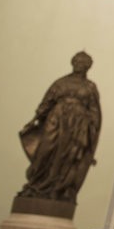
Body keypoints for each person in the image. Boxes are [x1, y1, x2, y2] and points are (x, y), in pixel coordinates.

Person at [18, 51, 102, 202]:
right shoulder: (60, 83)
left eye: (83, 63)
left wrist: (91, 136)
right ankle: (36, 185)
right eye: (77, 61)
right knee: (45, 151)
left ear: (88, 66)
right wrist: (34, 120)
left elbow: (94, 111)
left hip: (77, 127)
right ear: (72, 63)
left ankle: (58, 189)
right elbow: (46, 103)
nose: (79, 65)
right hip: (56, 121)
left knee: (68, 159)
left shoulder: (90, 87)